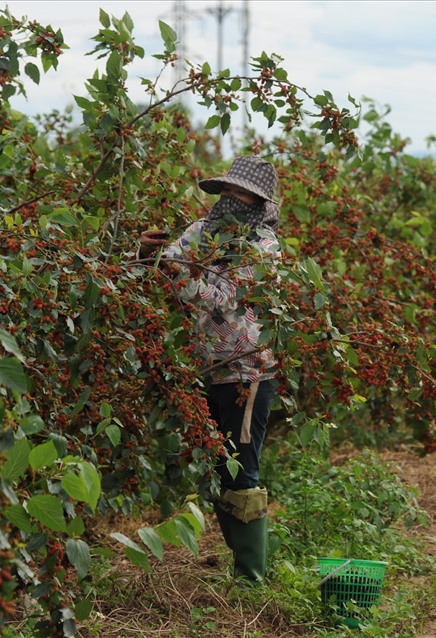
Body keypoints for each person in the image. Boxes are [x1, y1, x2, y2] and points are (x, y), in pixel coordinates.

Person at [139, 155, 280, 584]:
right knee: (221, 468)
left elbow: (219, 298)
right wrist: (145, 253)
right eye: (226, 191)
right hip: (207, 369)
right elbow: (161, 265)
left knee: (243, 469)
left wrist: (171, 268)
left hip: (246, 372)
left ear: (255, 201)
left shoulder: (264, 247)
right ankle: (242, 566)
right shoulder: (201, 233)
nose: (228, 200)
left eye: (238, 194)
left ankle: (251, 577)